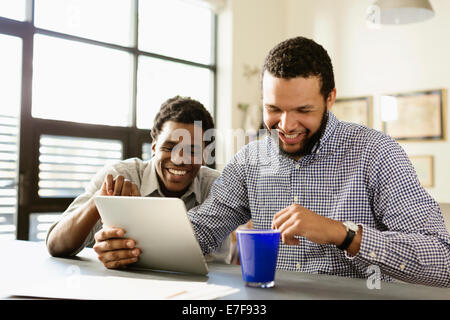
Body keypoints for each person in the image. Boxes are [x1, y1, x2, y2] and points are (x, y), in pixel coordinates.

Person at [187, 36, 450, 287]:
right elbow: (201, 231)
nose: (287, 125)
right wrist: (147, 240)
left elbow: (443, 261)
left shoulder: (377, 153)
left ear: (330, 99)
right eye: (274, 109)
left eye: (303, 110)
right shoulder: (248, 161)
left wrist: (342, 234)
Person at [46, 96, 232, 268]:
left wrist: (129, 253)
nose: (179, 159)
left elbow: (214, 267)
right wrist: (99, 201)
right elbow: (56, 245)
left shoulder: (217, 188)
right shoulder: (119, 176)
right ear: (153, 147)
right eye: (169, 147)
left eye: (192, 151)